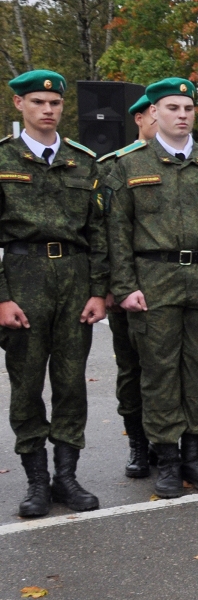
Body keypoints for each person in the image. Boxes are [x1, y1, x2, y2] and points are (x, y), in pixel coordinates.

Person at [108, 77, 198, 498]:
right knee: (159, 374)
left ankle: (195, 458)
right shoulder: (129, 165)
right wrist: (125, 286)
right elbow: (116, 232)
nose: (182, 115)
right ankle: (166, 461)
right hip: (154, 282)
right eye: (172, 108)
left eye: (188, 109)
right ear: (153, 113)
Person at [2, 70, 106, 517]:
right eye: (38, 102)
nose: (48, 110)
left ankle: (66, 477)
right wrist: (1, 297)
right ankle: (37, 481)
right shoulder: (3, 159)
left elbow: (100, 232)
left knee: (70, 384)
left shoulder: (84, 161)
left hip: (75, 277)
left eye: (55, 103)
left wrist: (99, 291)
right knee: (26, 383)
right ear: (19, 105)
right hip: (22, 277)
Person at [103, 92, 156, 478]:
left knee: (172, 371)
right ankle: (139, 444)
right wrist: (112, 286)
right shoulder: (113, 166)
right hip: (129, 284)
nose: (160, 119)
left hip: (172, 283)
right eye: (152, 113)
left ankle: (171, 442)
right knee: (133, 369)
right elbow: (106, 232)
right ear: (139, 118)